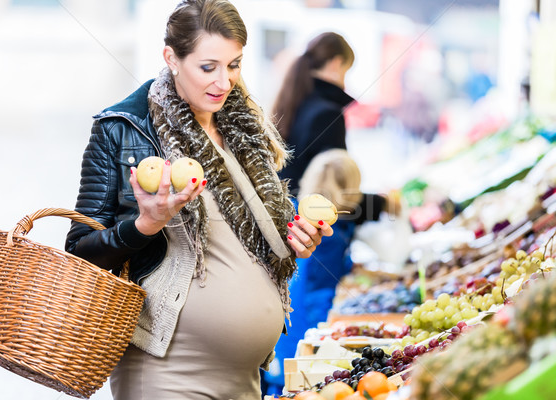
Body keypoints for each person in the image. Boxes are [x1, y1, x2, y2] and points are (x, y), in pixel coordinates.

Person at [64, 1, 333, 399]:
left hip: (245, 379)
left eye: (234, 65)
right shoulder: (124, 130)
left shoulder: (244, 132)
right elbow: (79, 256)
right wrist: (145, 225)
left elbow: (251, 243)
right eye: (208, 67)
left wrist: (296, 239)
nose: (224, 82)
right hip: (168, 375)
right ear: (171, 58)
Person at [262, 149, 401, 395]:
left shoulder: (299, 211)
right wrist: (325, 333)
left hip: (285, 312)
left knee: (285, 376)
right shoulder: (330, 232)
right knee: (297, 379)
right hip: (307, 314)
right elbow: (323, 281)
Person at [272, 32, 356, 194]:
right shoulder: (328, 114)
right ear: (336, 64)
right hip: (310, 214)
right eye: (346, 71)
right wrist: (382, 203)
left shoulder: (291, 101)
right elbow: (335, 190)